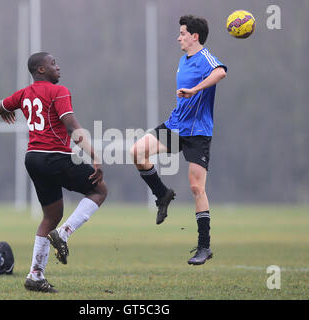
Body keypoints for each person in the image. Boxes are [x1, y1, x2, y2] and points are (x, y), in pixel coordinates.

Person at [0, 52, 107, 292]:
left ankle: (35, 275)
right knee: (99, 190)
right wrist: (95, 156)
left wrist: (7, 111)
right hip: (55, 156)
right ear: (41, 70)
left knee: (50, 216)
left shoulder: (24, 93)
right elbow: (71, 127)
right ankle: (64, 234)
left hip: (33, 159)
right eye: (53, 63)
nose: (58, 66)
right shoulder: (59, 91)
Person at [130, 15, 227, 266]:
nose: (179, 37)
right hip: (176, 126)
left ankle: (204, 247)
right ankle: (162, 194)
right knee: (138, 152)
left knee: (197, 188)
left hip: (198, 132)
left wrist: (196, 90)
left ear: (195, 36)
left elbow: (220, 72)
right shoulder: (183, 60)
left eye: (182, 33)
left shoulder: (205, 58)